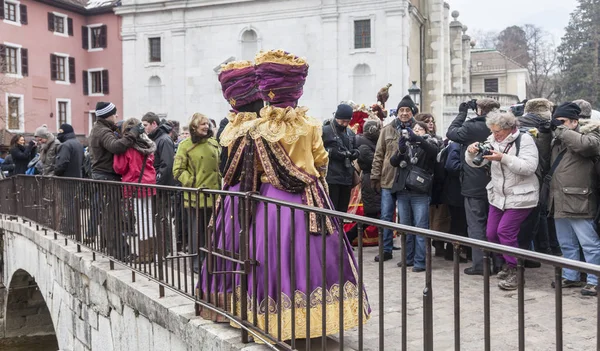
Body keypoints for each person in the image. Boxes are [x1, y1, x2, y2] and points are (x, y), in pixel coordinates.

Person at [216, 49, 370, 340]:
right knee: (315, 256)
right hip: (309, 200)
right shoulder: (310, 125)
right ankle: (316, 319)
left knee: (271, 256)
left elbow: (256, 168)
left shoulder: (255, 128)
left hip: (271, 201)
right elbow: (321, 158)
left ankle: (273, 319)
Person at [198, 59, 263, 321]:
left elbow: (225, 165)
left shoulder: (231, 125)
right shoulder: (253, 125)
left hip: (235, 194)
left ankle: (231, 301)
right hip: (250, 194)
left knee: (232, 245)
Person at [465, 111, 539, 290]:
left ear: (509, 128)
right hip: (498, 196)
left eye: (497, 131)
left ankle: (516, 271)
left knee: (505, 231)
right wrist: (470, 152)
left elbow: (529, 167)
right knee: (491, 234)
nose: (494, 134)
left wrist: (503, 158)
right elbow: (477, 163)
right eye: (492, 130)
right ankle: (506, 263)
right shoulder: (492, 140)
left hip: (521, 195)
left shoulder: (525, 140)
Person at [549, 102, 600, 296]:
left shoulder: (591, 134)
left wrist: (559, 130)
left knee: (589, 243)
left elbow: (587, 146)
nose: (557, 125)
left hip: (580, 198)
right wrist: (547, 132)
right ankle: (571, 275)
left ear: (574, 122)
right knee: (566, 243)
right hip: (559, 197)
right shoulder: (557, 138)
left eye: (561, 122)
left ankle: (594, 279)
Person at [446, 98, 500, 275]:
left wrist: (462, 113)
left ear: (479, 110)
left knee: (476, 224)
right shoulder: (503, 127)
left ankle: (480, 264)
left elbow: (451, 132)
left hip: (474, 183)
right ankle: (499, 263)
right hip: (498, 181)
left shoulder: (472, 126)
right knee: (495, 225)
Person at [371, 95, 419, 262]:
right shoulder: (387, 130)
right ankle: (386, 249)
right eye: (401, 110)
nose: (404, 113)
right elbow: (379, 155)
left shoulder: (418, 129)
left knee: (407, 219)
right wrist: (375, 176)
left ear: (412, 112)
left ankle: (409, 253)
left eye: (407, 110)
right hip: (389, 179)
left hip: (408, 181)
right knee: (386, 215)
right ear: (397, 112)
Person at [173, 113, 221, 273]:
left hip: (214, 194)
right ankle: (196, 261)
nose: (206, 126)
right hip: (196, 195)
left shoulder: (214, 144)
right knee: (197, 231)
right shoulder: (185, 145)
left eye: (207, 124)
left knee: (213, 230)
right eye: (202, 124)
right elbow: (178, 170)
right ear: (194, 126)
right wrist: (193, 183)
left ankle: (210, 260)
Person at [389, 121, 439, 271]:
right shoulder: (406, 146)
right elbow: (393, 162)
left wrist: (418, 139)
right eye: (414, 129)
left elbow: (433, 152)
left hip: (420, 192)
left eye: (420, 129)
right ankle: (407, 258)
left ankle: (420, 261)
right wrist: (401, 149)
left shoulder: (431, 143)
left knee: (420, 227)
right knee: (405, 227)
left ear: (426, 131)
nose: (416, 131)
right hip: (403, 190)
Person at [113, 118, 157, 263]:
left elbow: (119, 168)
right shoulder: (146, 143)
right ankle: (150, 252)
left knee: (141, 219)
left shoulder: (127, 147)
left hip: (134, 183)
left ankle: (144, 255)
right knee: (149, 216)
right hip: (148, 182)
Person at [346, 119, 382, 245]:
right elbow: (375, 162)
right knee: (372, 215)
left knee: (378, 214)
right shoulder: (364, 145)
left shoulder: (370, 142)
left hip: (373, 180)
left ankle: (385, 242)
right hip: (371, 181)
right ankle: (349, 236)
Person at [88, 102, 142, 181]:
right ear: (108, 116)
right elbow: (116, 147)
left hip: (102, 175)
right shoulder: (103, 131)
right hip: (106, 177)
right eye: (114, 113)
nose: (116, 115)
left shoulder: (98, 128)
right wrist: (133, 133)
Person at [322, 103, 360, 213]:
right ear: (336, 117)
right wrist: (332, 152)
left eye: (347, 121)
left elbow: (356, 148)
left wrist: (354, 153)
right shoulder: (326, 130)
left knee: (343, 210)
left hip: (346, 176)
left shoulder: (350, 133)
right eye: (342, 121)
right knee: (331, 209)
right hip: (331, 176)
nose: (344, 124)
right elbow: (318, 150)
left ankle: (340, 229)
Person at [142, 112, 176, 186]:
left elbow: (166, 165)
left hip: (162, 187)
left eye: (145, 125)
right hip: (155, 183)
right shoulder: (153, 139)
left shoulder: (164, 140)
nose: (143, 128)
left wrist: (157, 182)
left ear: (154, 123)